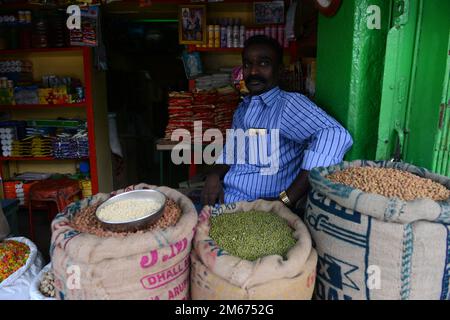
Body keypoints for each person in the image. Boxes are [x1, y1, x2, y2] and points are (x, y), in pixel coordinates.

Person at [201, 35, 353, 208]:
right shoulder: (243, 109)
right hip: (228, 199)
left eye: (264, 63)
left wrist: (286, 199)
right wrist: (214, 174)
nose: (253, 72)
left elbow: (336, 135)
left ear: (279, 70)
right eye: (247, 64)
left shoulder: (287, 104)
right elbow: (233, 153)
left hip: (261, 210)